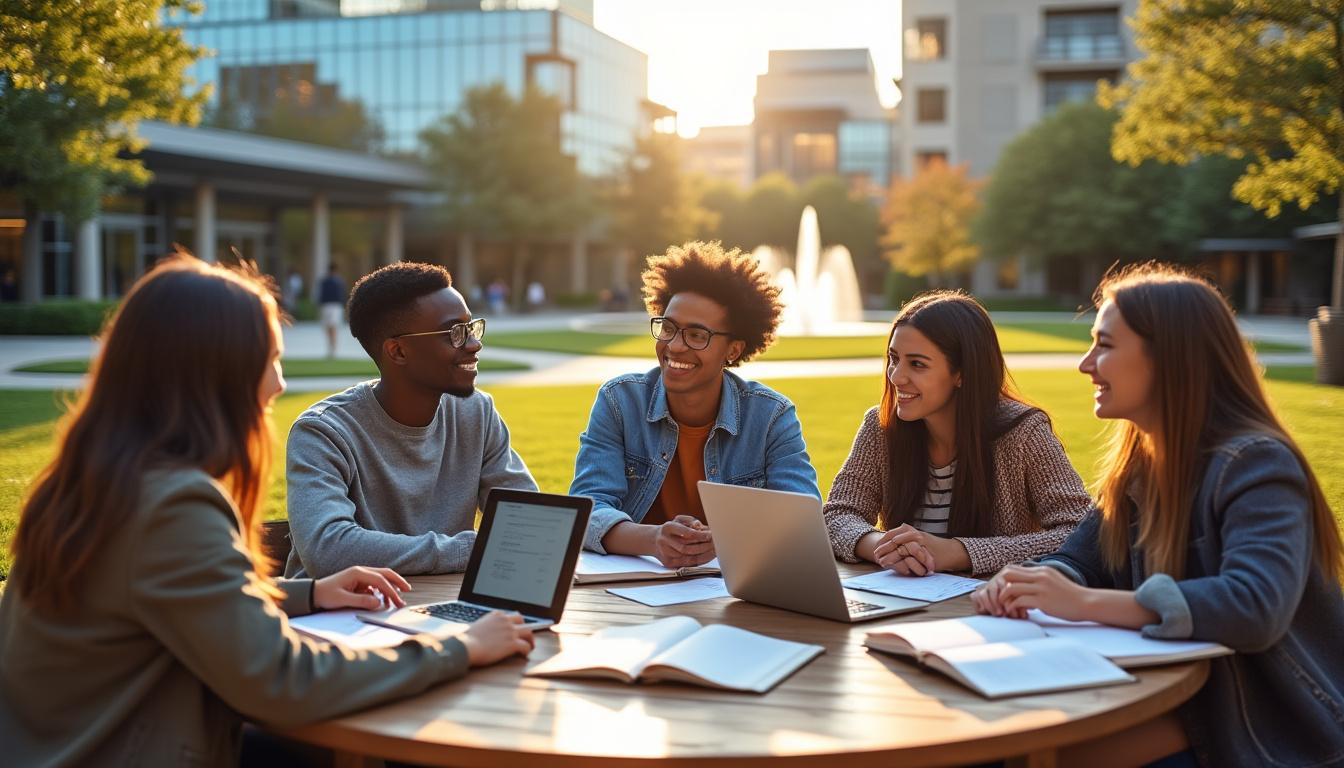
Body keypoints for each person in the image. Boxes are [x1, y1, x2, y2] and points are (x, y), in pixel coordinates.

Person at [0, 254, 534, 766]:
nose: (279, 383)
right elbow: (282, 679)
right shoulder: (172, 505)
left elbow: (163, 598)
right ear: (211, 372)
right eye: (270, 359)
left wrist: (305, 593)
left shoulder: (93, 480)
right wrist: (459, 649)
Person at [973, 264, 1344, 767]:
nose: (1086, 364)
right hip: (1186, 704)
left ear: (1169, 358)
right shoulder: (1141, 470)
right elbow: (1080, 558)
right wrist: (1032, 582)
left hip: (1273, 731)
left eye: (1104, 345)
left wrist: (1084, 603)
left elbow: (1255, 606)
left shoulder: (1256, 463)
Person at [571, 241, 819, 567]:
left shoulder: (771, 416)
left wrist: (723, 541)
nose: (675, 346)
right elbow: (587, 508)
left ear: (733, 350)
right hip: (634, 586)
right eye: (669, 328)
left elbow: (801, 518)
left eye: (697, 335)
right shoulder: (619, 402)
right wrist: (653, 539)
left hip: (732, 590)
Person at [284, 261, 536, 578]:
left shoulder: (477, 414)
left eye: (471, 328)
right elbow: (329, 550)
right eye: (455, 333)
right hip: (342, 618)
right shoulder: (322, 433)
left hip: (439, 607)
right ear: (398, 351)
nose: (474, 344)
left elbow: (529, 522)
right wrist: (473, 549)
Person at [824, 291, 1091, 576]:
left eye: (917, 364)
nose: (896, 376)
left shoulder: (1024, 433)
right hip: (902, 606)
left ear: (962, 373)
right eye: (894, 358)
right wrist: (883, 546)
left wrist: (960, 552)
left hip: (991, 609)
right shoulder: (880, 428)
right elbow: (838, 514)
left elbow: (1080, 533)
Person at [318, 263, 346, 358]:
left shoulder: (335, 281)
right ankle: (331, 349)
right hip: (332, 306)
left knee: (332, 327)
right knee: (329, 328)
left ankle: (332, 350)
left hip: (332, 306)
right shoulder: (332, 281)